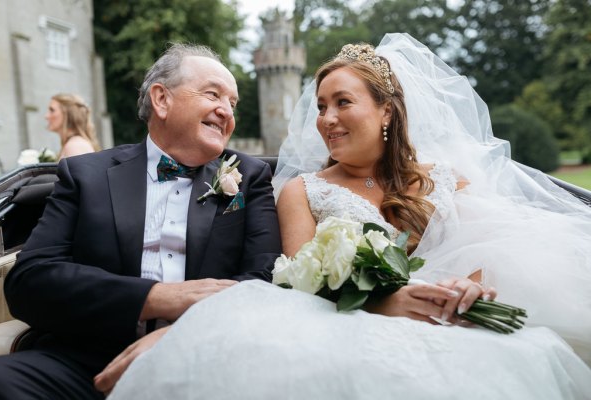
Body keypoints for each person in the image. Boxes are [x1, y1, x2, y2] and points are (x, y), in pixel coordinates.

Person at [105, 34, 591, 399]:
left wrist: (470, 291)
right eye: (320, 106)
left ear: (386, 112)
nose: (326, 119)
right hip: (351, 330)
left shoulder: (447, 181)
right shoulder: (302, 191)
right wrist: (386, 301)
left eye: (343, 103)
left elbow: (484, 262)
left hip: (453, 326)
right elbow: (299, 285)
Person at [0, 43, 281, 399]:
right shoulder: (87, 175)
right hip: (85, 363)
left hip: (207, 359)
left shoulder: (249, 177)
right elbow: (29, 281)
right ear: (161, 99)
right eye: (213, 94)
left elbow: (264, 282)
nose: (226, 112)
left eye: (232, 104)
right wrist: (153, 297)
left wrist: (180, 334)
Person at [45, 93, 101, 159]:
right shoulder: (74, 144)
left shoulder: (75, 146)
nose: (46, 116)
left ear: (68, 114)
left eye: (52, 110)